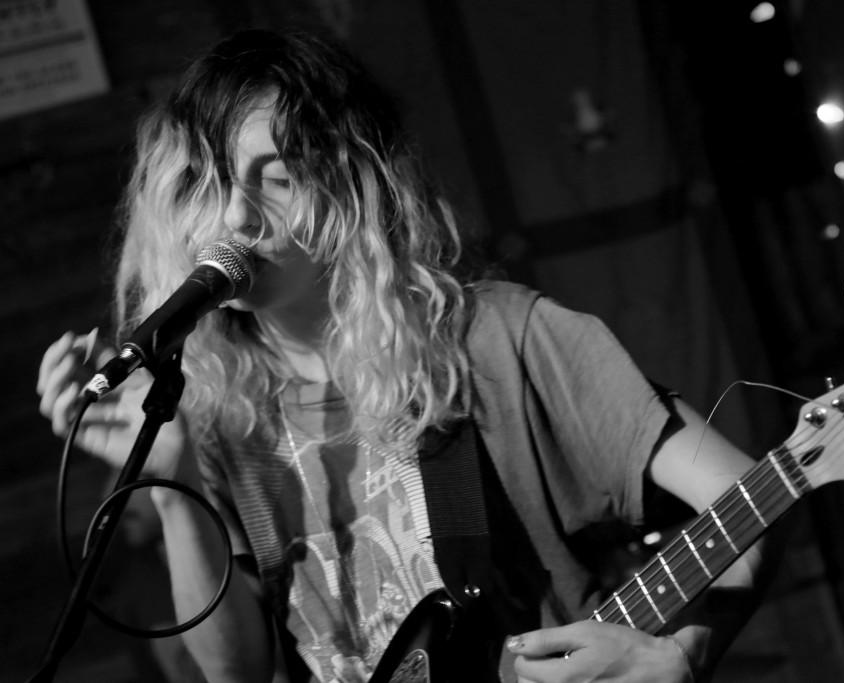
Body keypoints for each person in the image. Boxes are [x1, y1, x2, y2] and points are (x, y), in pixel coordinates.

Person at [37, 28, 774, 683]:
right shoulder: (210, 411)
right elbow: (237, 668)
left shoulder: (501, 339)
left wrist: (689, 651)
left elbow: (758, 496)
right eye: (212, 181)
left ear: (350, 184)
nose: (235, 216)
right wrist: (169, 486)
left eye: (277, 174)